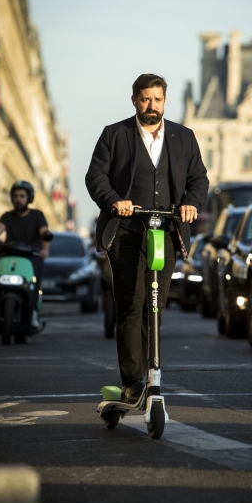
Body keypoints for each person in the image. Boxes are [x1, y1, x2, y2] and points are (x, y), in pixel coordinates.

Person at [86, 73, 209, 403]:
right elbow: (95, 176)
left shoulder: (184, 137)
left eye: (156, 99)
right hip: (127, 232)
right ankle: (133, 381)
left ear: (165, 101)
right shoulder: (115, 135)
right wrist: (114, 200)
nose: (151, 105)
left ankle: (149, 372)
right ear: (134, 101)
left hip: (166, 232)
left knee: (155, 307)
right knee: (130, 305)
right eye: (144, 99)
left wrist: (190, 205)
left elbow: (199, 179)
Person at [0, 180, 50, 328]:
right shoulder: (7, 216)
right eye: (15, 196)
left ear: (29, 198)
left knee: (37, 273)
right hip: (9, 255)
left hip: (31, 256)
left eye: (22, 196)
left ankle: (33, 312)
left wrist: (44, 249)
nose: (18, 199)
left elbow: (44, 233)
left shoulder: (37, 215)